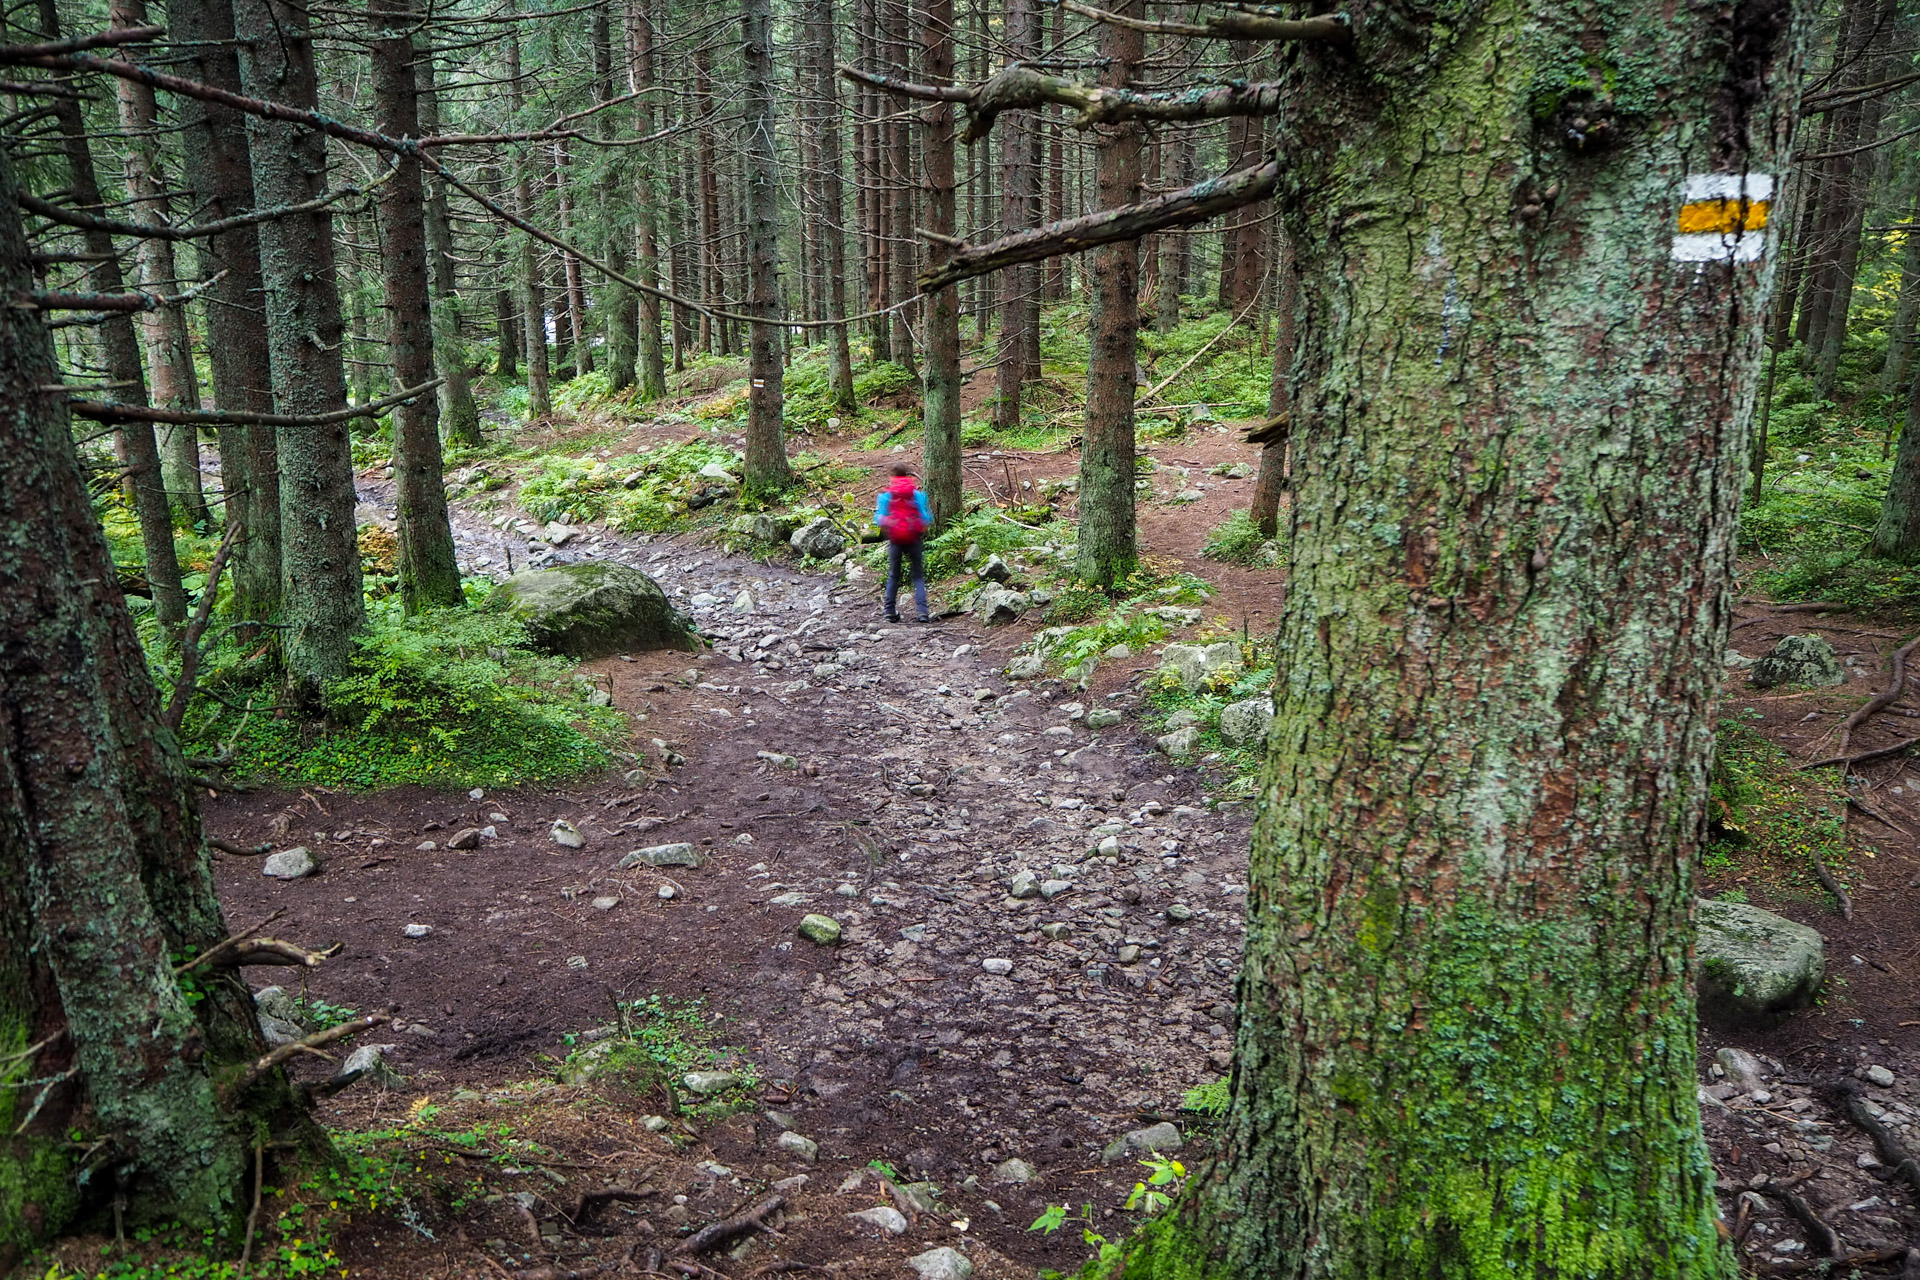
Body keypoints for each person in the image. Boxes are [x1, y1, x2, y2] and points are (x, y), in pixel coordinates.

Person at [874, 463, 932, 623]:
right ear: (908, 476)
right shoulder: (918, 495)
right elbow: (927, 518)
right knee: (918, 576)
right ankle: (922, 612)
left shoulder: (886, 496)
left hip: (895, 540)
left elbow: (878, 519)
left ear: (892, 477)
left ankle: (889, 611)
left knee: (894, 575)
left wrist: (891, 523)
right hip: (914, 539)